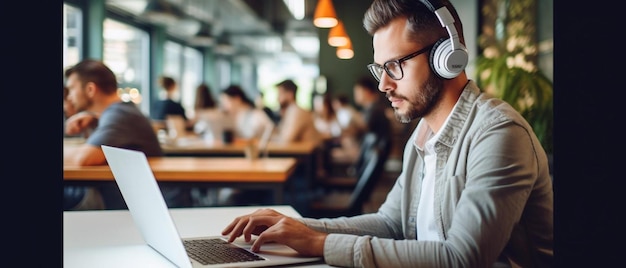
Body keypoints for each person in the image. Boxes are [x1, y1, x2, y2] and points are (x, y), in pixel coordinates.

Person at [220, 1, 553, 267]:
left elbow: (462, 258)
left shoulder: (498, 135)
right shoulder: (423, 134)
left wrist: (320, 243)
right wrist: (298, 227)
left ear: (446, 57)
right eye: (380, 69)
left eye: (394, 66)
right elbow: (390, 223)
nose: (383, 84)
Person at [63, 59, 191, 209]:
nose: (69, 97)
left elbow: (83, 158)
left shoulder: (120, 115)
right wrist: (94, 120)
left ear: (90, 89)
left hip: (130, 203)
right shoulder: (120, 112)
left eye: (71, 89)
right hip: (124, 197)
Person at [273, 79, 321, 144]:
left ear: (290, 94)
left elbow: (287, 140)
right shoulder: (290, 111)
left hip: (306, 153)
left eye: (280, 94)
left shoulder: (297, 112)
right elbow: (281, 135)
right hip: (299, 152)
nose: (277, 98)